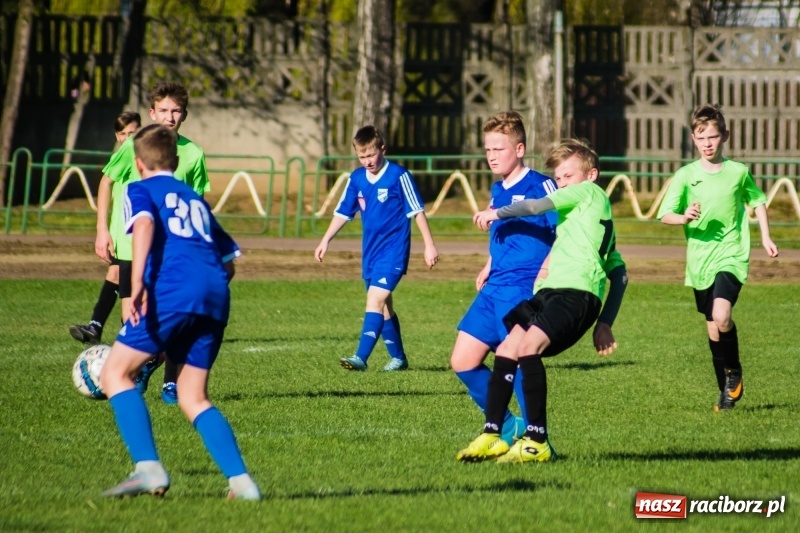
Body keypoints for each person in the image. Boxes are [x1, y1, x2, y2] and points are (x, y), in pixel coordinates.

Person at [98, 123, 260, 500]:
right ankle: (242, 483)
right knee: (192, 396)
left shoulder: (139, 190)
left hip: (173, 290)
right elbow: (229, 262)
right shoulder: (194, 198)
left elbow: (143, 228)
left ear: (138, 163)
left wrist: (137, 283)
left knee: (115, 373)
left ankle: (148, 469)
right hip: (216, 296)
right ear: (174, 159)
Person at [459, 138, 628, 464]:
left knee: (526, 348)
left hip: (576, 295)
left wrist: (495, 213)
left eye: (568, 176)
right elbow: (620, 274)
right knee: (508, 349)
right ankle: (493, 433)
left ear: (590, 175)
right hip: (551, 294)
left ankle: (537, 440)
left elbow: (536, 205)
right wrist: (605, 322)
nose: (561, 184)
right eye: (559, 178)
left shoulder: (590, 192)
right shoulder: (584, 218)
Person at [94, 82, 211, 404]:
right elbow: (107, 181)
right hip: (130, 248)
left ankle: (171, 383)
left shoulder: (193, 153)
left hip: (171, 252)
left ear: (184, 114)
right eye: (163, 110)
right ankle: (143, 366)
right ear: (151, 112)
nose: (169, 116)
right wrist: (102, 230)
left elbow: (197, 202)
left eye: (175, 111)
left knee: (174, 316)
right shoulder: (133, 145)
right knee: (131, 320)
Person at [657, 104, 778, 412]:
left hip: (732, 254)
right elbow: (665, 215)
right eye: (701, 138)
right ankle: (725, 391)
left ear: (725, 135)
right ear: (693, 140)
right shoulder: (685, 176)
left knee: (722, 315)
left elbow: (758, 200)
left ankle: (734, 371)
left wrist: (765, 236)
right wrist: (684, 217)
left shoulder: (738, 172)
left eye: (713, 136)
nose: (708, 143)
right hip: (700, 261)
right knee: (713, 327)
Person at [450, 111, 557, 447]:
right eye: (487, 150)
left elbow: (565, 229)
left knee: (521, 361)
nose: (492, 156)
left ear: (520, 149)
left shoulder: (541, 185)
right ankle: (509, 426)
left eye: (499, 149)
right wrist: (488, 264)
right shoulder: (497, 189)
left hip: (522, 288)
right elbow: (502, 234)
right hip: (493, 287)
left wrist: (550, 266)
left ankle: (537, 440)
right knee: (462, 361)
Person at [314, 125, 439, 371]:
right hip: (370, 252)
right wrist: (325, 239)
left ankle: (360, 358)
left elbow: (417, 211)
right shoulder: (357, 179)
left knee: (375, 299)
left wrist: (429, 245)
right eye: (362, 157)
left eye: (371, 155)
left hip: (394, 250)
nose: (368, 161)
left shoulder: (398, 175)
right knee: (384, 306)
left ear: (383, 149)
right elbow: (342, 212)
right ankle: (399, 358)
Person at [69, 111, 141, 345]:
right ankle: (101, 328)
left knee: (118, 278)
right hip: (122, 233)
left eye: (133, 132)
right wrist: (104, 229)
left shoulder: (144, 154)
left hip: (135, 235)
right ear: (116, 135)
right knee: (118, 277)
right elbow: (106, 185)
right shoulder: (123, 156)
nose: (128, 138)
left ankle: (100, 327)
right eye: (123, 134)